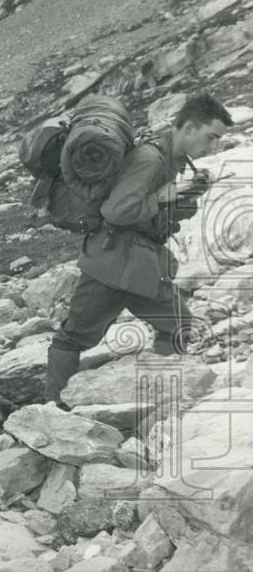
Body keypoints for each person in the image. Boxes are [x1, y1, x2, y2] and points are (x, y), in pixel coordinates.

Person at [45, 93, 233, 404]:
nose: (213, 147)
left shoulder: (173, 160)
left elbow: (157, 214)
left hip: (140, 267)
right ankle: (52, 408)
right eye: (210, 137)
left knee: (179, 326)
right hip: (111, 265)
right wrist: (161, 197)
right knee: (73, 336)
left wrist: (189, 193)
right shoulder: (150, 158)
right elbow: (116, 212)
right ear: (188, 127)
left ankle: (156, 398)